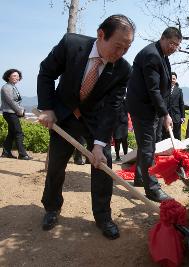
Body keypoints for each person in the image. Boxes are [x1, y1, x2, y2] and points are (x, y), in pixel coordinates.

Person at [36, 14, 135, 240]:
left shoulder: (123, 70)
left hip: (96, 119)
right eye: (117, 46)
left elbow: (112, 108)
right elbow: (46, 73)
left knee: (102, 164)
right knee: (56, 165)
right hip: (64, 112)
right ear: (101, 35)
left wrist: (100, 145)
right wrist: (47, 108)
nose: (120, 53)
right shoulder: (72, 44)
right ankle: (52, 207)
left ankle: (103, 216)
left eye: (126, 49)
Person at [126, 27, 182, 202]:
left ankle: (140, 177)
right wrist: (165, 114)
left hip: (152, 108)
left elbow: (161, 89)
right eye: (172, 43)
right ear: (162, 38)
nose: (174, 48)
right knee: (149, 146)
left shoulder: (163, 55)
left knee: (147, 145)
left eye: (177, 45)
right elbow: (153, 89)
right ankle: (152, 188)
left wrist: (162, 113)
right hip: (143, 108)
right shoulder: (152, 55)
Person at [1, 69, 32, 160]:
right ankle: (22, 154)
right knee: (19, 133)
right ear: (8, 77)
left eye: (18, 76)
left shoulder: (12, 86)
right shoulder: (6, 87)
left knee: (11, 133)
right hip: (9, 113)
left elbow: (16, 101)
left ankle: (6, 153)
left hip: (12, 112)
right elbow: (11, 101)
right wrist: (20, 111)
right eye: (14, 76)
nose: (16, 78)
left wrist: (21, 110)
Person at [162, 72, 184, 140]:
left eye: (174, 79)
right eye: (171, 78)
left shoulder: (179, 90)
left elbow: (181, 104)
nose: (172, 80)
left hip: (176, 117)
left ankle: (177, 150)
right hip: (165, 117)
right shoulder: (163, 90)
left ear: (176, 80)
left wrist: (183, 116)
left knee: (177, 136)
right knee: (165, 137)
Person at [113, 97, 128, 161]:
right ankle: (117, 156)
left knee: (124, 140)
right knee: (117, 140)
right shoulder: (114, 101)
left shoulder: (125, 101)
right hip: (116, 123)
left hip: (124, 123)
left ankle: (125, 155)